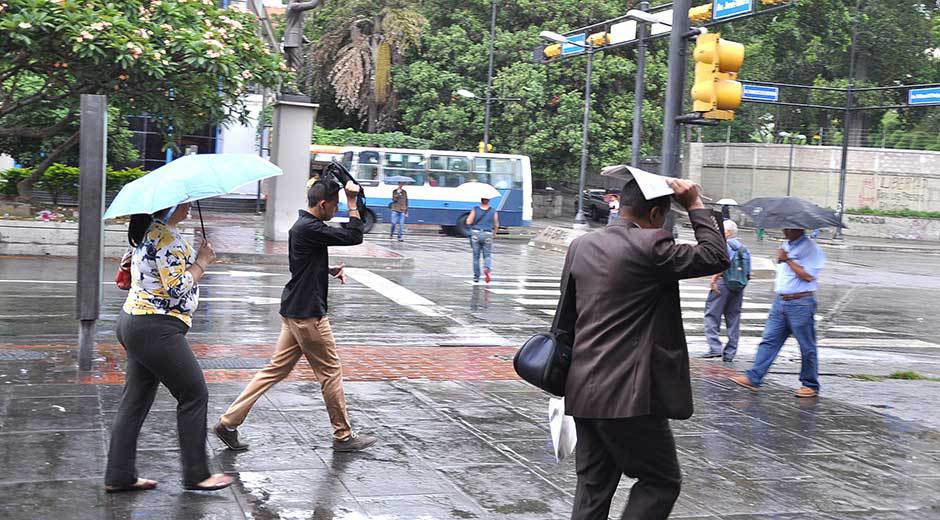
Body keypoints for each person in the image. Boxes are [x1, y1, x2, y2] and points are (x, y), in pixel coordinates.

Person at [558, 178, 729, 520]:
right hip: (628, 395)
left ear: (621, 206)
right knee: (660, 481)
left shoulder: (582, 245)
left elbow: (565, 320)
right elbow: (715, 255)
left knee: (593, 488)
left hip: (582, 389)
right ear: (655, 214)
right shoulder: (651, 246)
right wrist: (694, 204)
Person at [214, 179, 377, 452]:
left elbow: (303, 264)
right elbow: (354, 235)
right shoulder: (310, 227)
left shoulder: (303, 227)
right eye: (335, 205)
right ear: (322, 204)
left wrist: (327, 270)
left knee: (274, 370)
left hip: (294, 312)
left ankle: (228, 422)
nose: (336, 210)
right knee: (330, 372)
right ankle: (343, 436)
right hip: (308, 315)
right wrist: (352, 203)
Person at [106, 203, 233, 493]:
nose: (188, 205)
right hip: (156, 329)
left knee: (135, 401)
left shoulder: (146, 233)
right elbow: (177, 289)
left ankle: (119, 475)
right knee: (194, 394)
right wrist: (202, 260)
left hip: (135, 324)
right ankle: (197, 474)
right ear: (168, 206)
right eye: (183, 201)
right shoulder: (165, 238)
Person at [730, 228, 826, 398]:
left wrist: (787, 259)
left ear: (798, 228)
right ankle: (754, 377)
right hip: (780, 301)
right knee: (769, 340)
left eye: (788, 227)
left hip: (801, 303)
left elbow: (809, 276)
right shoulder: (786, 244)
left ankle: (810, 384)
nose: (784, 230)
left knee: (806, 346)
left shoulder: (811, 248)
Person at [701, 220, 751, 362]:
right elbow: (748, 273)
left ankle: (715, 347)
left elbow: (723, 262)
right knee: (733, 318)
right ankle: (730, 352)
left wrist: (713, 280)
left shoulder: (726, 245)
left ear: (728, 232)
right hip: (738, 286)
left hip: (723, 283)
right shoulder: (744, 248)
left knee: (711, 315)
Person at [466, 198, 499, 283]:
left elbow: (468, 221)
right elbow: (496, 224)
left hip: (476, 234)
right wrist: (494, 234)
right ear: (489, 201)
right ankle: (486, 268)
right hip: (488, 234)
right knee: (487, 255)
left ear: (481, 200)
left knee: (476, 257)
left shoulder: (475, 209)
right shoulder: (493, 211)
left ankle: (476, 277)